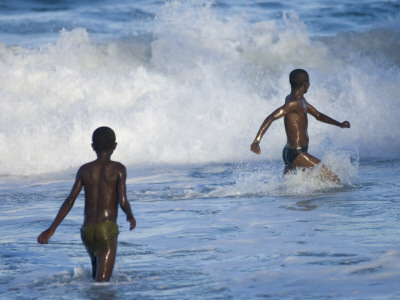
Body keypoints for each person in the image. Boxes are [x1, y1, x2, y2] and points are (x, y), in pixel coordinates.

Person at [37, 127, 136, 282]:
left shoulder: (85, 170)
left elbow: (70, 200)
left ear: (93, 146)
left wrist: (52, 229)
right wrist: (130, 216)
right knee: (102, 286)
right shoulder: (118, 169)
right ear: (115, 146)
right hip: (106, 229)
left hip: (87, 231)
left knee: (95, 281)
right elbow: (122, 200)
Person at [250, 69, 350, 180]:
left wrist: (339, 124)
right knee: (334, 179)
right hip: (296, 153)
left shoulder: (300, 100)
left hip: (291, 151)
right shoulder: (293, 103)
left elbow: (318, 115)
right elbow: (270, 118)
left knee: (292, 189)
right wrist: (256, 141)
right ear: (306, 85)